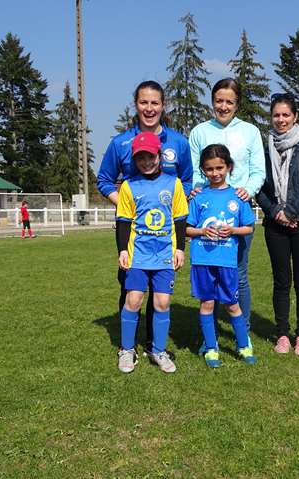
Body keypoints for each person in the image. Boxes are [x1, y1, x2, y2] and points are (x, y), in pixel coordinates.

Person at [97, 80, 192, 357]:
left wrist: (172, 209)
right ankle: (127, 346)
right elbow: (104, 180)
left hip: (164, 235)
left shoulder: (178, 142)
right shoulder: (120, 143)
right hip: (134, 234)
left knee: (160, 293)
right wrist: (129, 208)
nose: (149, 108)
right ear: (135, 105)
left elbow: (187, 180)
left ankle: (154, 345)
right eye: (143, 102)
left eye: (154, 103)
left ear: (163, 105)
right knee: (131, 289)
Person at [189, 78, 265, 343]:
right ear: (212, 101)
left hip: (237, 212)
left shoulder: (250, 131)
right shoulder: (199, 131)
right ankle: (209, 339)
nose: (223, 106)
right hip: (207, 212)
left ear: (237, 104)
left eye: (229, 102)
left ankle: (242, 332)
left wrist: (248, 190)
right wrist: (196, 190)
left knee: (239, 274)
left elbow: (258, 170)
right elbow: (193, 170)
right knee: (208, 277)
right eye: (219, 101)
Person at [256, 93, 299, 355]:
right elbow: (259, 187)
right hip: (276, 225)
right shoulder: (265, 149)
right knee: (281, 282)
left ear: (295, 116)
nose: (281, 119)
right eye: (276, 115)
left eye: (286, 114)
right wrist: (277, 212)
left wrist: (292, 211)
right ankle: (282, 334)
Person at [115, 132, 188, 373]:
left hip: (164, 253)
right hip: (138, 254)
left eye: (151, 156)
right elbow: (123, 221)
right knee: (133, 299)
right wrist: (123, 250)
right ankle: (127, 350)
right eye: (141, 158)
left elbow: (180, 218)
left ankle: (158, 350)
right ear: (135, 160)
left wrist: (180, 248)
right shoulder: (128, 186)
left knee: (162, 302)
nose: (146, 162)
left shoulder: (174, 183)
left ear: (160, 155)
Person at [186, 144, 257, 368]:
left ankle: (244, 345)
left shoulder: (238, 197)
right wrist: (202, 231)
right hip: (202, 261)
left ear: (229, 167)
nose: (215, 173)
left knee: (232, 304)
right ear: (203, 170)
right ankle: (211, 348)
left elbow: (249, 227)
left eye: (219, 168)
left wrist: (233, 230)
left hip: (227, 262)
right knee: (207, 303)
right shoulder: (198, 197)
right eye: (209, 169)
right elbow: (187, 228)